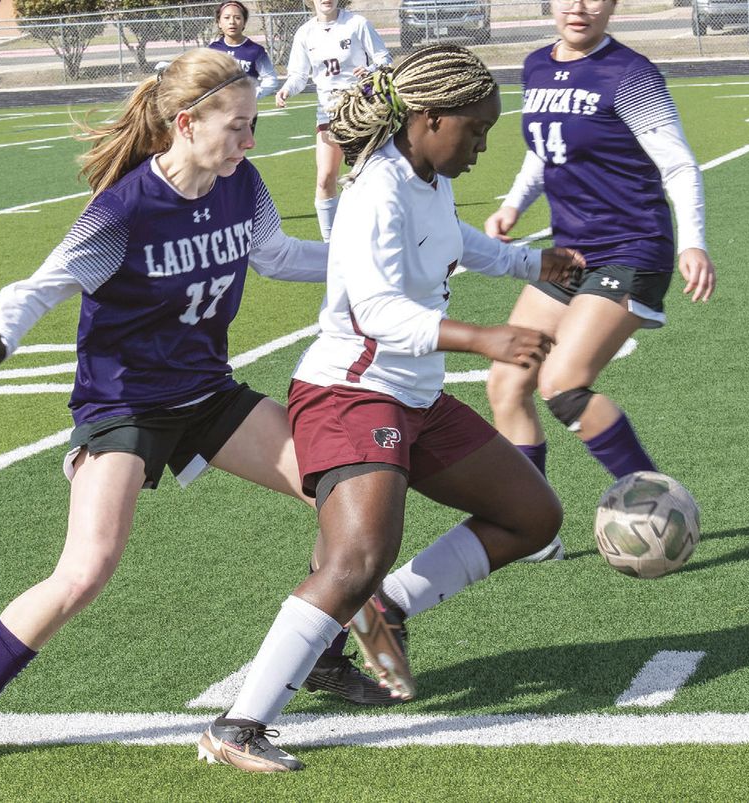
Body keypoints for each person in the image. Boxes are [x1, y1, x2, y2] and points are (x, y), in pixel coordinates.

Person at [0, 47, 398, 780]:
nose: (249, 140)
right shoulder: (124, 209)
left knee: (342, 495)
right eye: (237, 126)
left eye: (252, 124)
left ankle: (323, 656)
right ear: (186, 123)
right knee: (85, 570)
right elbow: (43, 284)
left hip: (208, 392)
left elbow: (274, 255)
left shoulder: (244, 186)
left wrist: (373, 264)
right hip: (125, 403)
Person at [197, 44, 586, 774]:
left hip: (415, 396)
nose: (481, 144)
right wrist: (482, 337)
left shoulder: (426, 175)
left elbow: (454, 243)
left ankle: (389, 612)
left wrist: (533, 261)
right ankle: (237, 725)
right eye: (474, 129)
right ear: (430, 117)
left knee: (533, 516)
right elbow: (377, 314)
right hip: (350, 393)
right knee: (353, 560)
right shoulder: (375, 191)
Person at [482, 0, 717, 562]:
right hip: (570, 252)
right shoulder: (536, 65)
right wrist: (513, 206)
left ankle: (659, 510)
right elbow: (542, 153)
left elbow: (678, 165)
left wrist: (693, 241)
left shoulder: (631, 74)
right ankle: (530, 529)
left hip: (634, 249)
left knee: (561, 382)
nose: (579, 7)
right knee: (506, 382)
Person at [275, 0, 392, 241]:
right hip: (328, 112)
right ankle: (331, 244)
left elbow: (384, 59)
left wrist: (370, 70)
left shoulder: (357, 24)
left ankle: (380, 234)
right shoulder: (305, 32)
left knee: (369, 175)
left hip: (362, 110)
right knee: (325, 176)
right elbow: (298, 75)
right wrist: (286, 89)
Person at [207, 0, 280, 99]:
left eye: (237, 18)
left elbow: (271, 79)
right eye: (226, 18)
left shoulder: (255, 50)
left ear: (244, 22)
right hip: (219, 108)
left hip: (244, 110)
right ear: (219, 23)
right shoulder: (212, 50)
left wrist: (253, 94)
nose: (232, 22)